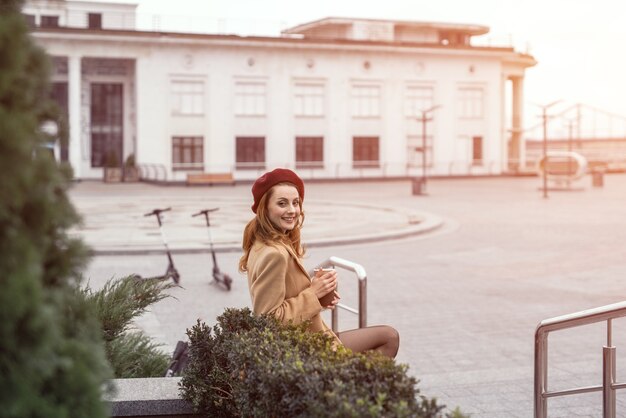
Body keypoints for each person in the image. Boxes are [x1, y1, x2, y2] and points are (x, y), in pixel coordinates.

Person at [239, 168, 399, 358]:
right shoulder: (275, 254)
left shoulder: (265, 242)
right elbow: (268, 320)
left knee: (388, 336)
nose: (292, 210)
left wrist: (319, 295)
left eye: (296, 203)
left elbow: (284, 295)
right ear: (264, 208)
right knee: (389, 338)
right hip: (304, 350)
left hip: (310, 339)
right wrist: (313, 293)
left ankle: (350, 380)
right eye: (282, 203)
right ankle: (346, 383)